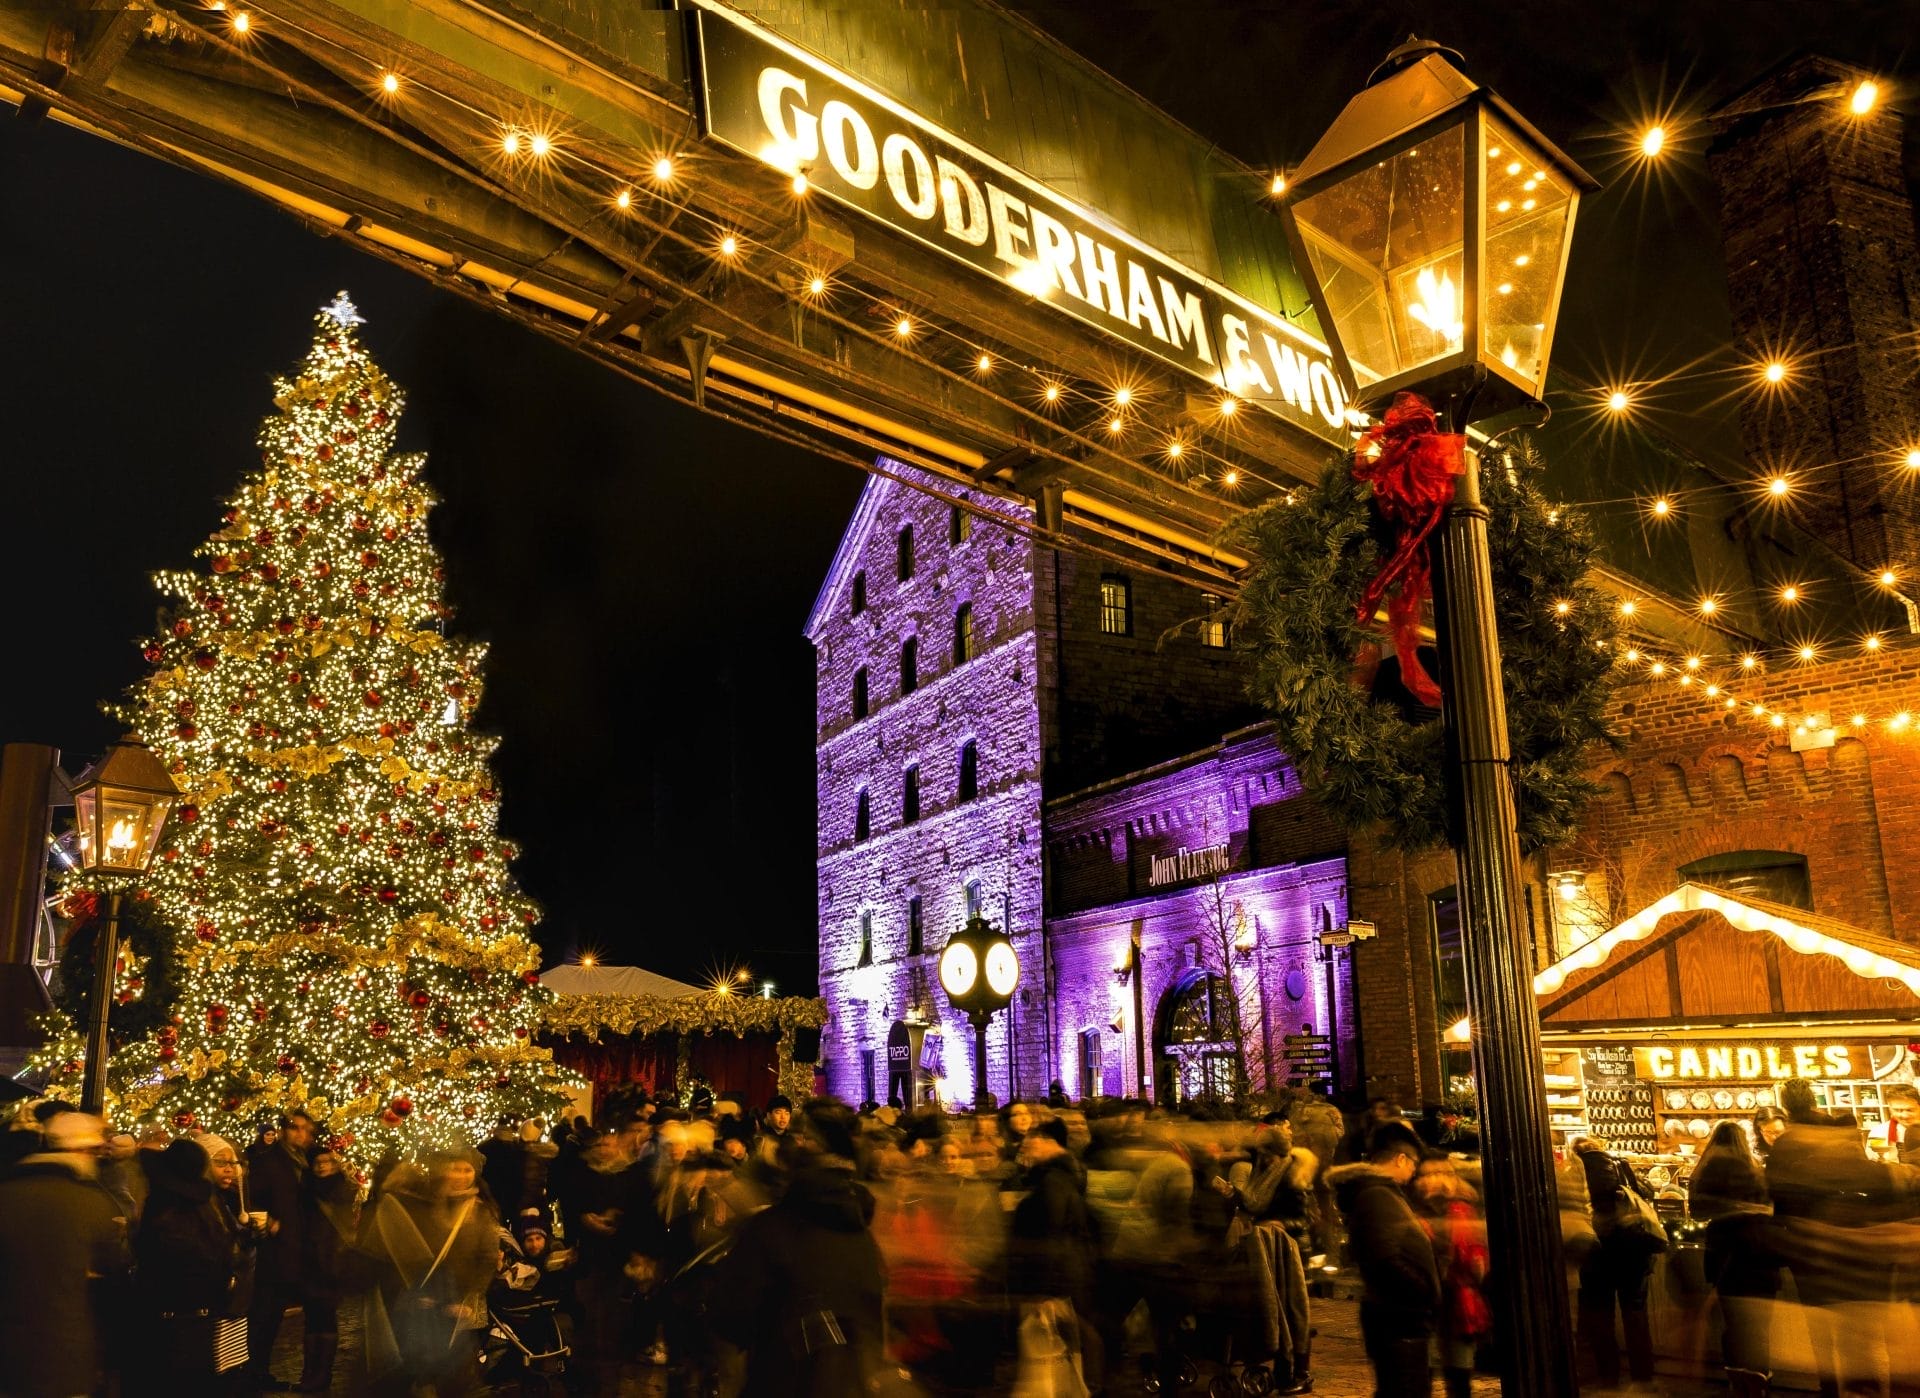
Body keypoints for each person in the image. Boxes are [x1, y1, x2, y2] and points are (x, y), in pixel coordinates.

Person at [711, 1099, 886, 1395]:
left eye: (802, 1137)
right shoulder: (861, 1230)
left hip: (782, 1381)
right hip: (848, 1385)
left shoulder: (771, 1228)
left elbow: (731, 1315)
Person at [0, 1111, 131, 1398]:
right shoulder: (92, 1204)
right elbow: (113, 1280)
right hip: (66, 1357)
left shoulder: (7, 1193)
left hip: (10, 1354)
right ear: (81, 1151)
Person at [1330, 1119, 1439, 1398]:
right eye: (1413, 1163)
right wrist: (1422, 1290)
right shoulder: (1377, 1196)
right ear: (1401, 1159)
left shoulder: (1383, 1193)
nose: (1415, 1170)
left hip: (1398, 1316)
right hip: (1398, 1317)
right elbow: (1385, 1258)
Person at [132, 1137, 235, 1393]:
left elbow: (150, 1264)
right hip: (202, 1322)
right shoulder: (208, 1213)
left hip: (165, 1324)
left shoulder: (161, 1209)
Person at [1687, 1122, 1777, 1394]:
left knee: (1734, 1324)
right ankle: (1759, 1381)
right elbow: (1771, 1206)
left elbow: (1697, 1212)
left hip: (1724, 1255)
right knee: (1760, 1326)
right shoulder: (1752, 1169)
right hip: (1759, 1252)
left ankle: (1739, 1384)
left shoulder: (1705, 1169)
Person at [1573, 1135, 1657, 1389]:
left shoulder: (1572, 1172)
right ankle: (1642, 1375)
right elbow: (1646, 1193)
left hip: (1596, 1251)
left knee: (1601, 1315)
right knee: (1635, 1313)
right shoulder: (1620, 1164)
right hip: (1631, 1249)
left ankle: (1609, 1374)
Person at [246, 1108, 316, 1390]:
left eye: (306, 1130)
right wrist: (269, 1221)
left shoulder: (306, 1163)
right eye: (295, 1128)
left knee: (272, 1316)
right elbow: (251, 1198)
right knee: (263, 1315)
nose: (301, 1134)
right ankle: (253, 1374)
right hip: (272, 1253)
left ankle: (260, 1372)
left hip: (291, 1251)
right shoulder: (271, 1161)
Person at [1412, 1155, 1489, 1398]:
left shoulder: (1460, 1209)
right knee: (1425, 1365)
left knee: (1458, 1366)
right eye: (1424, 1175)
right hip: (1427, 1294)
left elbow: (1473, 1249)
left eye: (1435, 1174)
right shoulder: (1416, 1207)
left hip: (1456, 1295)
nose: (1428, 1180)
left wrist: (1475, 1265)